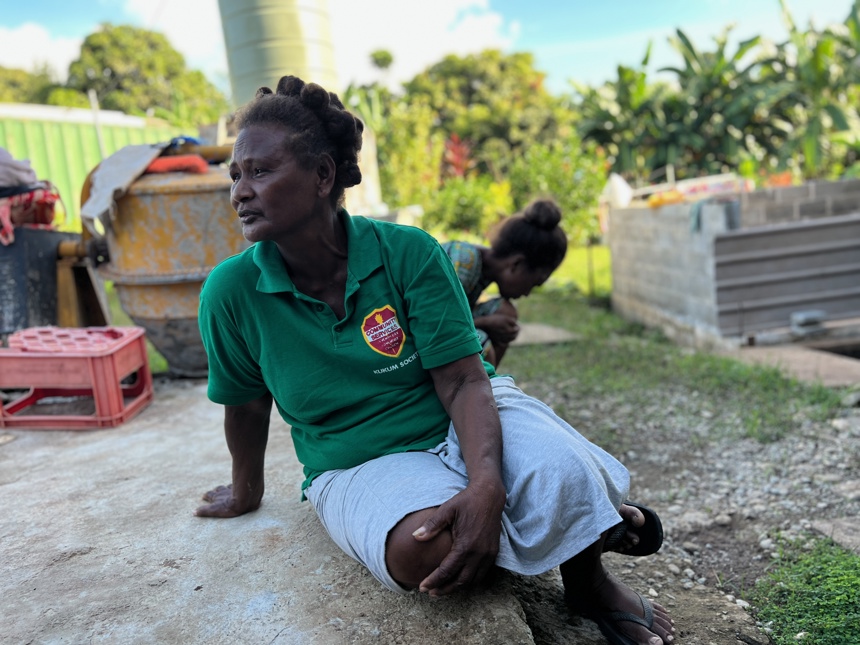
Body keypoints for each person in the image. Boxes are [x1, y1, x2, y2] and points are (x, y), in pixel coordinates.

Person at [194, 75, 675, 645]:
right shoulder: (231, 292)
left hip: (461, 412)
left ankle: (588, 579)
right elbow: (247, 408)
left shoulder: (409, 252)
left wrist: (488, 482)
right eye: (235, 176)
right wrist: (244, 491)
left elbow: (464, 380)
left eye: (260, 171)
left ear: (323, 176)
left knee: (565, 473)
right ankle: (592, 524)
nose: (240, 192)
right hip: (358, 460)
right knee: (427, 547)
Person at [441, 199, 567, 367]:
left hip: (435, 329)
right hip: (403, 338)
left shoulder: (481, 268)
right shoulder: (463, 263)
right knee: (479, 342)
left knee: (504, 314)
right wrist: (485, 323)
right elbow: (436, 324)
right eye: (533, 283)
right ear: (516, 265)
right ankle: (481, 389)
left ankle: (488, 385)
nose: (527, 293)